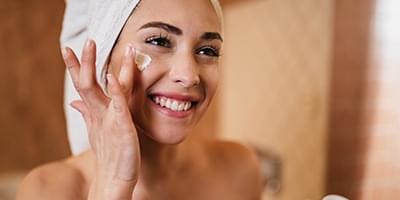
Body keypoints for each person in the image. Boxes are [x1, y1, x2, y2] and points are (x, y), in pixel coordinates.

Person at [16, 0, 263, 199]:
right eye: (159, 41)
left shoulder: (239, 170)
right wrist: (113, 185)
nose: (189, 76)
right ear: (104, 58)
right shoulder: (47, 190)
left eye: (207, 50)